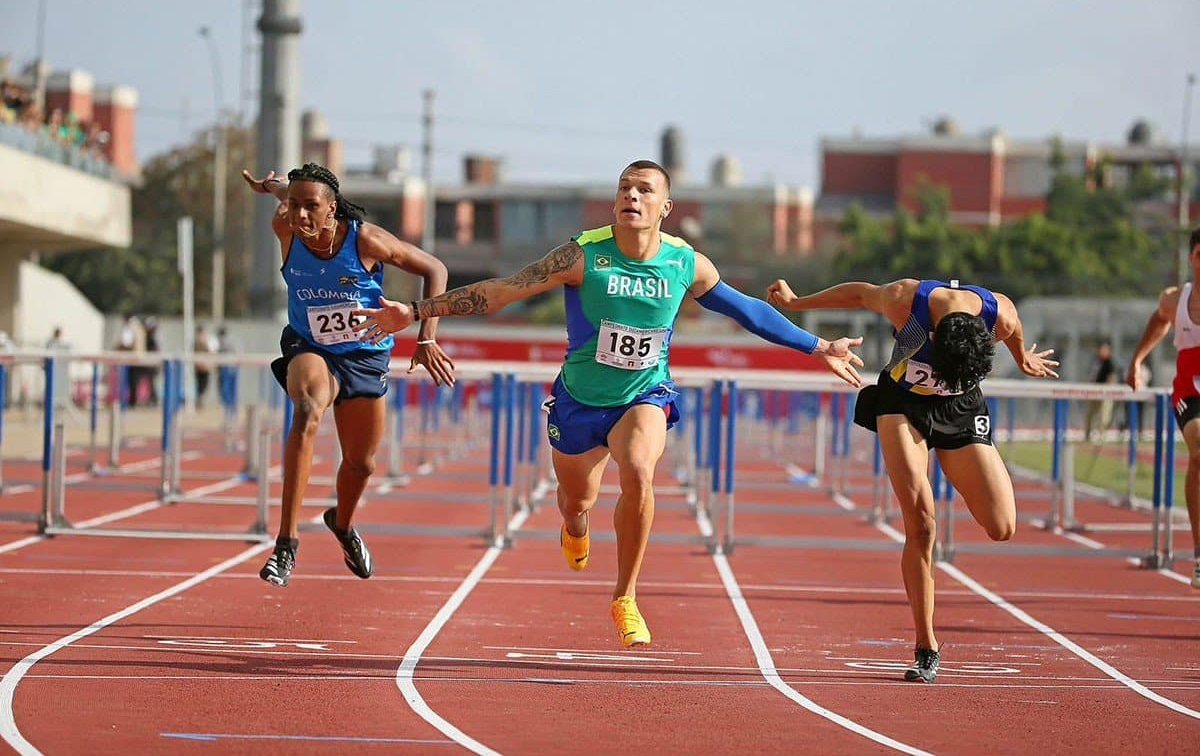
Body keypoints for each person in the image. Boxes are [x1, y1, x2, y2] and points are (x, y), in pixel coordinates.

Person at [353, 160, 864, 647]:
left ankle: (626, 596)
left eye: (644, 189)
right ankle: (575, 526)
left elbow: (748, 311)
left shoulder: (684, 262)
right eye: (624, 187)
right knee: (577, 504)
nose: (631, 196)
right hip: (578, 401)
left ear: (666, 206)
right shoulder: (582, 254)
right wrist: (416, 311)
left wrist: (818, 347)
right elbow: (502, 291)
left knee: (640, 470)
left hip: (643, 394)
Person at [766, 277, 1059, 683]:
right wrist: (797, 302)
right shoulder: (906, 300)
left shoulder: (1001, 315)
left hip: (960, 406)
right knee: (922, 524)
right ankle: (926, 646)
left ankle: (927, 640)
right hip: (902, 404)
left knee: (1003, 525)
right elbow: (858, 293)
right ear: (934, 335)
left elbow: (1014, 330)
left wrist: (1021, 355)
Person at [242, 162, 456, 588]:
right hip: (311, 346)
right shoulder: (285, 228)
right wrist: (272, 188)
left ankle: (341, 523)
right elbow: (286, 193)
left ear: (332, 209)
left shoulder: (367, 240)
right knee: (306, 410)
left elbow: (435, 269)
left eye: (311, 208)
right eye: (294, 206)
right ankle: (286, 543)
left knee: (361, 464)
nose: (300, 216)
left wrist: (426, 338)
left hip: (365, 356)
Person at [1125, 226, 1200, 590]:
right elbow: (1159, 320)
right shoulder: (1176, 299)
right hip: (1190, 392)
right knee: (1199, 448)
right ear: (1192, 258)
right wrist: (1137, 360)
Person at [1084, 341, 1117, 441]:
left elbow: (1111, 378)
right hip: (1095, 391)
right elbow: (1092, 376)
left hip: (1105, 393)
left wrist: (1107, 391)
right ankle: (1088, 435)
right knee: (1090, 414)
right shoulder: (1096, 362)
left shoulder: (1110, 363)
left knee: (1104, 416)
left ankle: (1101, 435)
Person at [194, 324, 216, 409]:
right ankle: (199, 402)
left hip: (205, 368)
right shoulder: (197, 342)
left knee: (204, 386)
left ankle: (201, 401)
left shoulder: (208, 341)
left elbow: (211, 353)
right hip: (199, 367)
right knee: (200, 386)